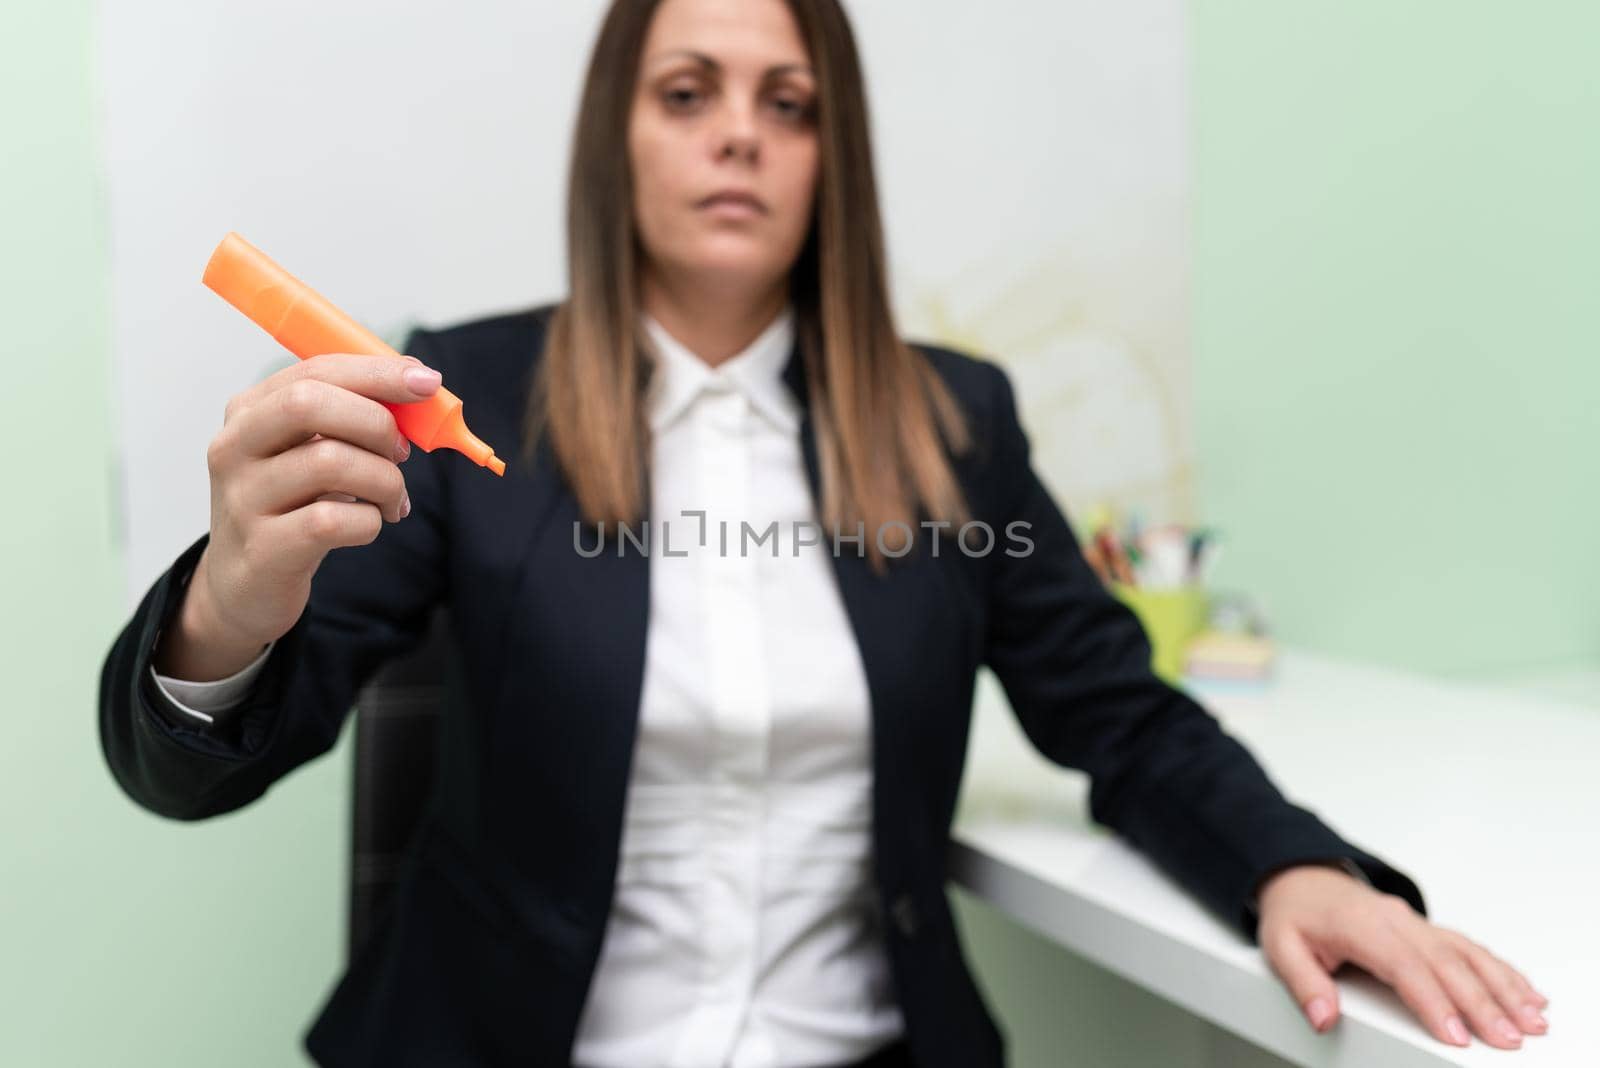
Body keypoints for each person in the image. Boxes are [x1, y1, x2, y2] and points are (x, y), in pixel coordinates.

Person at [97, 0, 1549, 1065]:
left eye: (790, 102)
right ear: (619, 137)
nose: (741, 130)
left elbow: (1119, 716)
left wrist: (1295, 868)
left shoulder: (952, 422)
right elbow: (195, 774)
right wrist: (233, 600)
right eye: (687, 91)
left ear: (831, 153)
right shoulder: (466, 400)